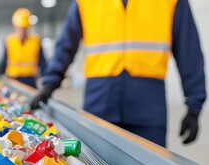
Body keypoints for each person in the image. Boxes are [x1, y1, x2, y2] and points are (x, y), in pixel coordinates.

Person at [31, 0, 206, 147]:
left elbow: (188, 51)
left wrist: (194, 107)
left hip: (148, 110)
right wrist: (49, 84)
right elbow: (66, 44)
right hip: (98, 106)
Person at [0, 8, 47, 88]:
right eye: (20, 28)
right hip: (13, 78)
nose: (22, 31)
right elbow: (4, 61)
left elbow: (42, 63)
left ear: (28, 27)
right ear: (15, 27)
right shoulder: (9, 40)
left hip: (30, 79)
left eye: (24, 28)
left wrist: (47, 79)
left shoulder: (36, 41)